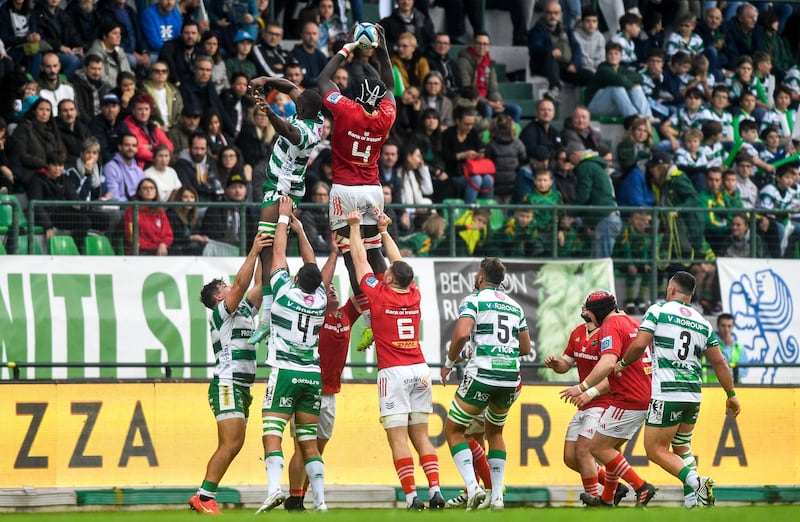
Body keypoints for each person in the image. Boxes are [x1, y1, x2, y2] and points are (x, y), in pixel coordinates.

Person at [614, 271, 743, 508]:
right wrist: (731, 395)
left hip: (667, 392)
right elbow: (719, 362)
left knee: (655, 449)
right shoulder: (702, 322)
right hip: (693, 394)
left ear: (671, 289)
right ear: (691, 294)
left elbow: (640, 344)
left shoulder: (658, 311)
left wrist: (621, 364)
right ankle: (693, 503)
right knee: (682, 446)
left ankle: (697, 482)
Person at [345, 209, 443, 510]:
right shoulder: (413, 293)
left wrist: (354, 227)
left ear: (388, 277)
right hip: (420, 369)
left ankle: (412, 497)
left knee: (398, 439)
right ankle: (436, 490)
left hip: (394, 373)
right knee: (422, 436)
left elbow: (360, 261)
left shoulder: (378, 294)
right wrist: (384, 231)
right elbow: (398, 261)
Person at [316, 24, 397, 351]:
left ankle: (368, 319)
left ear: (357, 95)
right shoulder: (386, 116)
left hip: (344, 190)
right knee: (374, 252)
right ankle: (386, 308)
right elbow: (390, 85)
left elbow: (324, 79)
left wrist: (348, 48)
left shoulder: (346, 110)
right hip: (373, 190)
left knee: (352, 257)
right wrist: (382, 46)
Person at [255, 196, 334, 514]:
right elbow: (312, 266)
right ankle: (321, 501)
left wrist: (284, 219)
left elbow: (277, 253)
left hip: (285, 370)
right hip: (312, 375)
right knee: (308, 442)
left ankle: (274, 489)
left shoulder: (284, 294)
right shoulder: (321, 300)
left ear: (296, 279)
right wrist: (302, 233)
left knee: (271, 433)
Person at [441, 257, 531, 511]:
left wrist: (448, 363)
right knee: (495, 433)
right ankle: (498, 497)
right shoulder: (515, 306)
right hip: (510, 377)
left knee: (454, 430)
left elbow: (461, 334)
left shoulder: (473, 300)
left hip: (482, 374)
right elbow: (525, 348)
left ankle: (473, 488)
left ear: (480, 277)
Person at [189, 230, 269, 515]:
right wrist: (254, 250)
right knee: (231, 443)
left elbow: (259, 284)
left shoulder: (244, 310)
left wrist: (266, 248)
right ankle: (204, 497)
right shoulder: (221, 314)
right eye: (223, 286)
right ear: (218, 296)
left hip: (241, 387)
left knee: (234, 444)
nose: (229, 286)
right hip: (227, 384)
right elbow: (241, 284)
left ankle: (205, 495)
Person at [243, 76, 324, 345]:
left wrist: (269, 111)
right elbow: (289, 86)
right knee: (269, 249)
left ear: (300, 109)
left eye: (296, 103)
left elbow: (288, 131)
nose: (293, 100)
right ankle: (268, 314)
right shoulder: (314, 114)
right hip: (282, 185)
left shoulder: (307, 133)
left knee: (268, 249)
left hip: (282, 188)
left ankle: (268, 316)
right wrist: (266, 80)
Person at [560, 290, 657, 508]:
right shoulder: (631, 322)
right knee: (609, 450)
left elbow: (607, 363)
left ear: (597, 313)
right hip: (641, 393)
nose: (587, 315)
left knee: (597, 448)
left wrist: (582, 388)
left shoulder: (610, 326)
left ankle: (641, 486)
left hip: (627, 397)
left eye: (589, 312)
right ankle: (607, 498)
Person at [284, 249, 359, 511]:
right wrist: (334, 254)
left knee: (318, 448)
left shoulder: (346, 315)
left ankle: (302, 495)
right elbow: (319, 281)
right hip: (310, 389)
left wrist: (351, 252)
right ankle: (294, 498)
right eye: (327, 289)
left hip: (331, 394)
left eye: (334, 288)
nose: (332, 290)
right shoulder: (315, 315)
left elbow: (361, 292)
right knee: (302, 448)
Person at [544, 305, 627, 504]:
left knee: (583, 451)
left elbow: (615, 375)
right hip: (585, 403)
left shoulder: (609, 334)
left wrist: (589, 392)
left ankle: (595, 501)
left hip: (604, 402)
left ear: (594, 311)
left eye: (587, 306)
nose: (583, 307)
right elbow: (566, 364)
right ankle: (615, 487)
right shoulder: (577, 333)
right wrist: (557, 364)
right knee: (570, 458)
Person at [123, 177, 173, 255]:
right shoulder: (132, 210)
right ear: (139, 192)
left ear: (156, 191)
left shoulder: (160, 211)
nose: (149, 190)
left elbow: (168, 234)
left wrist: (163, 244)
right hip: (140, 251)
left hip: (159, 249)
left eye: (151, 188)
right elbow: (131, 235)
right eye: (145, 188)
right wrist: (154, 247)